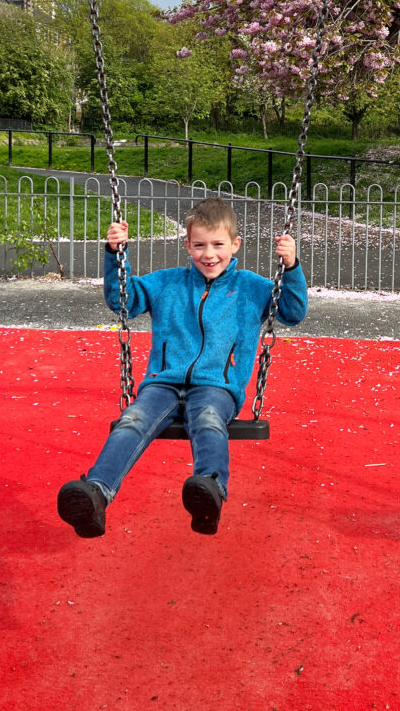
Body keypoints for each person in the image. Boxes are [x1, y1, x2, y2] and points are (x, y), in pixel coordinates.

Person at [57, 196, 307, 538]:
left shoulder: (252, 288)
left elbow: (293, 311)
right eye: (200, 245)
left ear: (235, 244)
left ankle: (210, 490)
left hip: (217, 387)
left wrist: (291, 268)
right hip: (164, 382)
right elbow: (122, 301)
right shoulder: (167, 283)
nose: (209, 254)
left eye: (218, 244)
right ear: (188, 244)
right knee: (132, 420)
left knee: (207, 420)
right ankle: (97, 494)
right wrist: (115, 254)